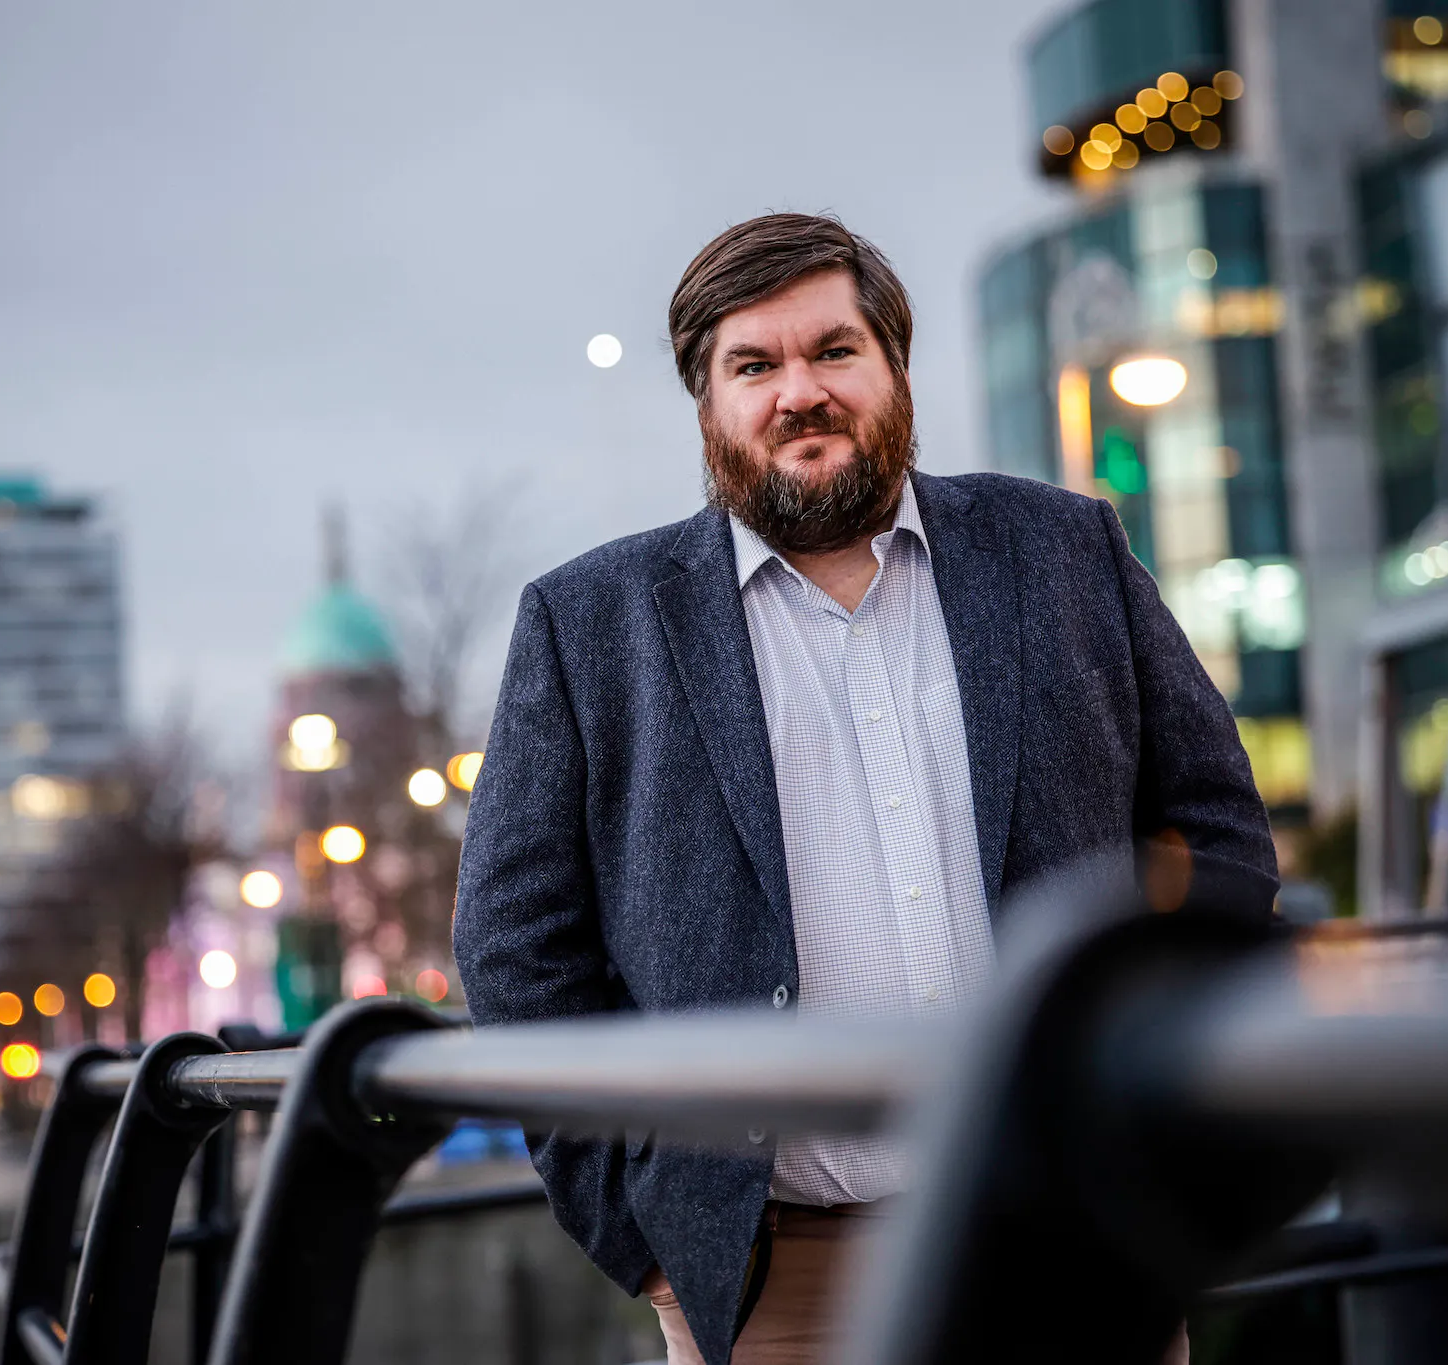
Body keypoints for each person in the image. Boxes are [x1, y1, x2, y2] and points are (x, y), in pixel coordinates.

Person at [452, 213, 1275, 1365]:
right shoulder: (587, 624)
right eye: (753, 365)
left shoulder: (1064, 551)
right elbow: (514, 949)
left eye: (833, 350)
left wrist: (1167, 1101)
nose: (800, 392)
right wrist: (638, 1235)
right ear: (707, 401)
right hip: (775, 1281)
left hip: (1079, 1235)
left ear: (893, 367)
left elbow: (1216, 832)